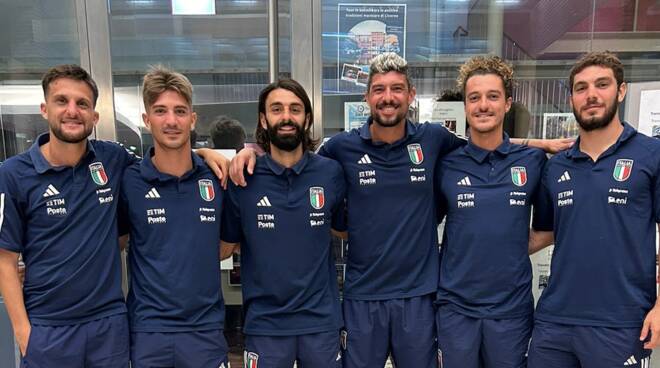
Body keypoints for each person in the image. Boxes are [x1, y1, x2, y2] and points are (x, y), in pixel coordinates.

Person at [230, 52, 572, 368]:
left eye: (396, 88)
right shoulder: (341, 149)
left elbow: (485, 143)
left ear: (410, 95)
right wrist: (250, 151)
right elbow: (295, 158)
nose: (387, 96)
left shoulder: (434, 139)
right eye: (378, 89)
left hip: (420, 297)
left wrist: (538, 144)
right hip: (363, 295)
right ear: (367, 98)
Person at [0, 64, 228, 368]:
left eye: (82, 104)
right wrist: (22, 331)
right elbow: (5, 259)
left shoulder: (113, 161)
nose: (72, 111)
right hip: (49, 327)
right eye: (62, 101)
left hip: (109, 327)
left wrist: (205, 154)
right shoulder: (13, 174)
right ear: (44, 108)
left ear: (94, 117)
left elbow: (168, 156)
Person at [527, 51, 660, 367]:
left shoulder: (651, 155)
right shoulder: (555, 167)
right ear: (571, 97)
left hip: (621, 324)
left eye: (602, 84)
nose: (591, 96)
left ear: (621, 90)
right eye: (581, 88)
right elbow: (543, 235)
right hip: (553, 322)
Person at [434, 56, 551, 368]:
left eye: (493, 96)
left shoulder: (531, 162)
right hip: (456, 309)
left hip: (510, 311)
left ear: (508, 103)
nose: (483, 105)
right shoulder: (446, 163)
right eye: (474, 98)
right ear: (465, 106)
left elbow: (550, 227)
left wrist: (514, 244)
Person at [221, 78, 345, 367]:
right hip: (265, 326)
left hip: (321, 323)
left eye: (295, 109)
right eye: (277, 109)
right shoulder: (243, 178)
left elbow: (343, 229)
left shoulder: (331, 173)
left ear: (307, 118)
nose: (286, 117)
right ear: (264, 120)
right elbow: (226, 246)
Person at [118, 66, 229, 367]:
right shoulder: (128, 180)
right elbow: (118, 242)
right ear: (146, 120)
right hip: (148, 332)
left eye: (180, 111)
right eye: (160, 111)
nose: (171, 121)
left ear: (192, 119)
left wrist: (209, 154)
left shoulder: (218, 177)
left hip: (205, 329)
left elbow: (227, 246)